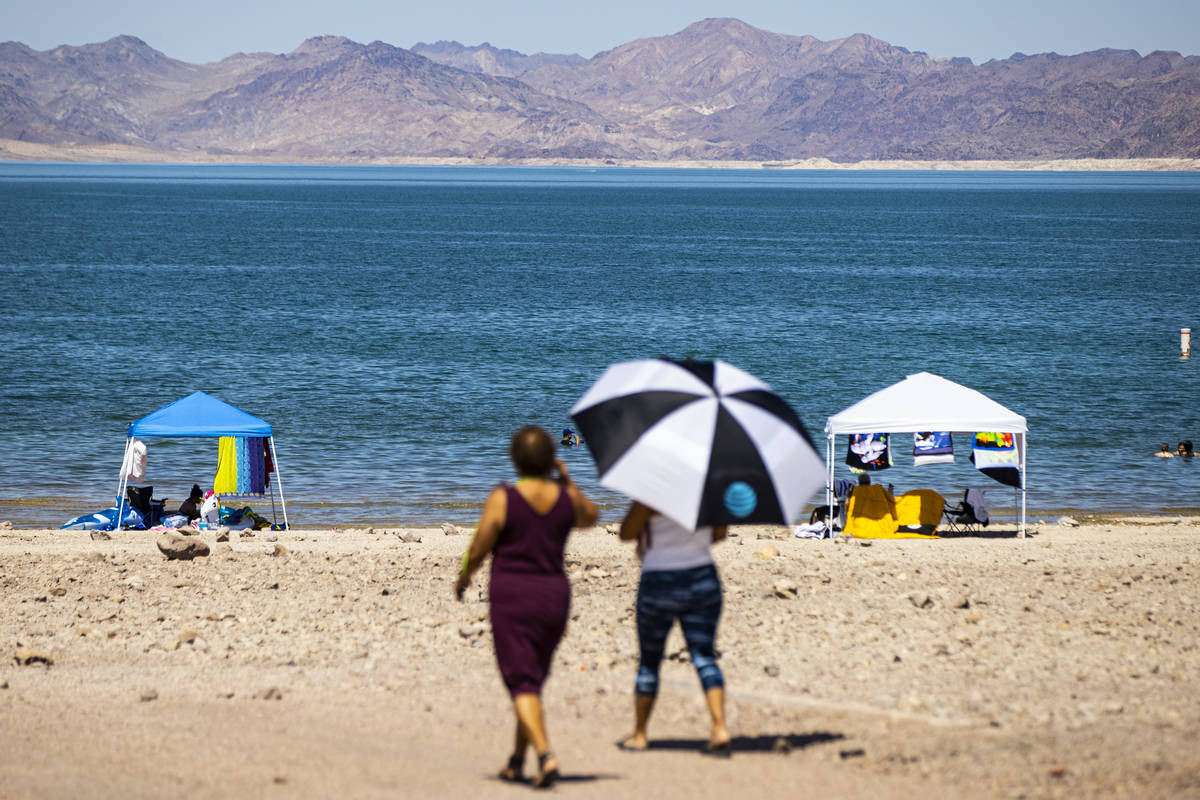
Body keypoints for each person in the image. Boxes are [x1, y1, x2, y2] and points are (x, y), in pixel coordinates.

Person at [455, 425, 598, 788]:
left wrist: (464, 576)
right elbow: (592, 517)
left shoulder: (504, 498)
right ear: (552, 459)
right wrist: (569, 482)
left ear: (515, 459)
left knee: (521, 680)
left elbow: (481, 544)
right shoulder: (566, 499)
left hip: (513, 595)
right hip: (554, 596)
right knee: (531, 679)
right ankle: (517, 761)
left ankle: (546, 756)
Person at [616, 501, 732, 757]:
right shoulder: (709, 490)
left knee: (650, 660)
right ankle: (719, 727)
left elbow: (626, 532)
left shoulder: (653, 493)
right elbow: (720, 533)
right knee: (704, 656)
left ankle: (639, 734)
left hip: (659, 580)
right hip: (702, 577)